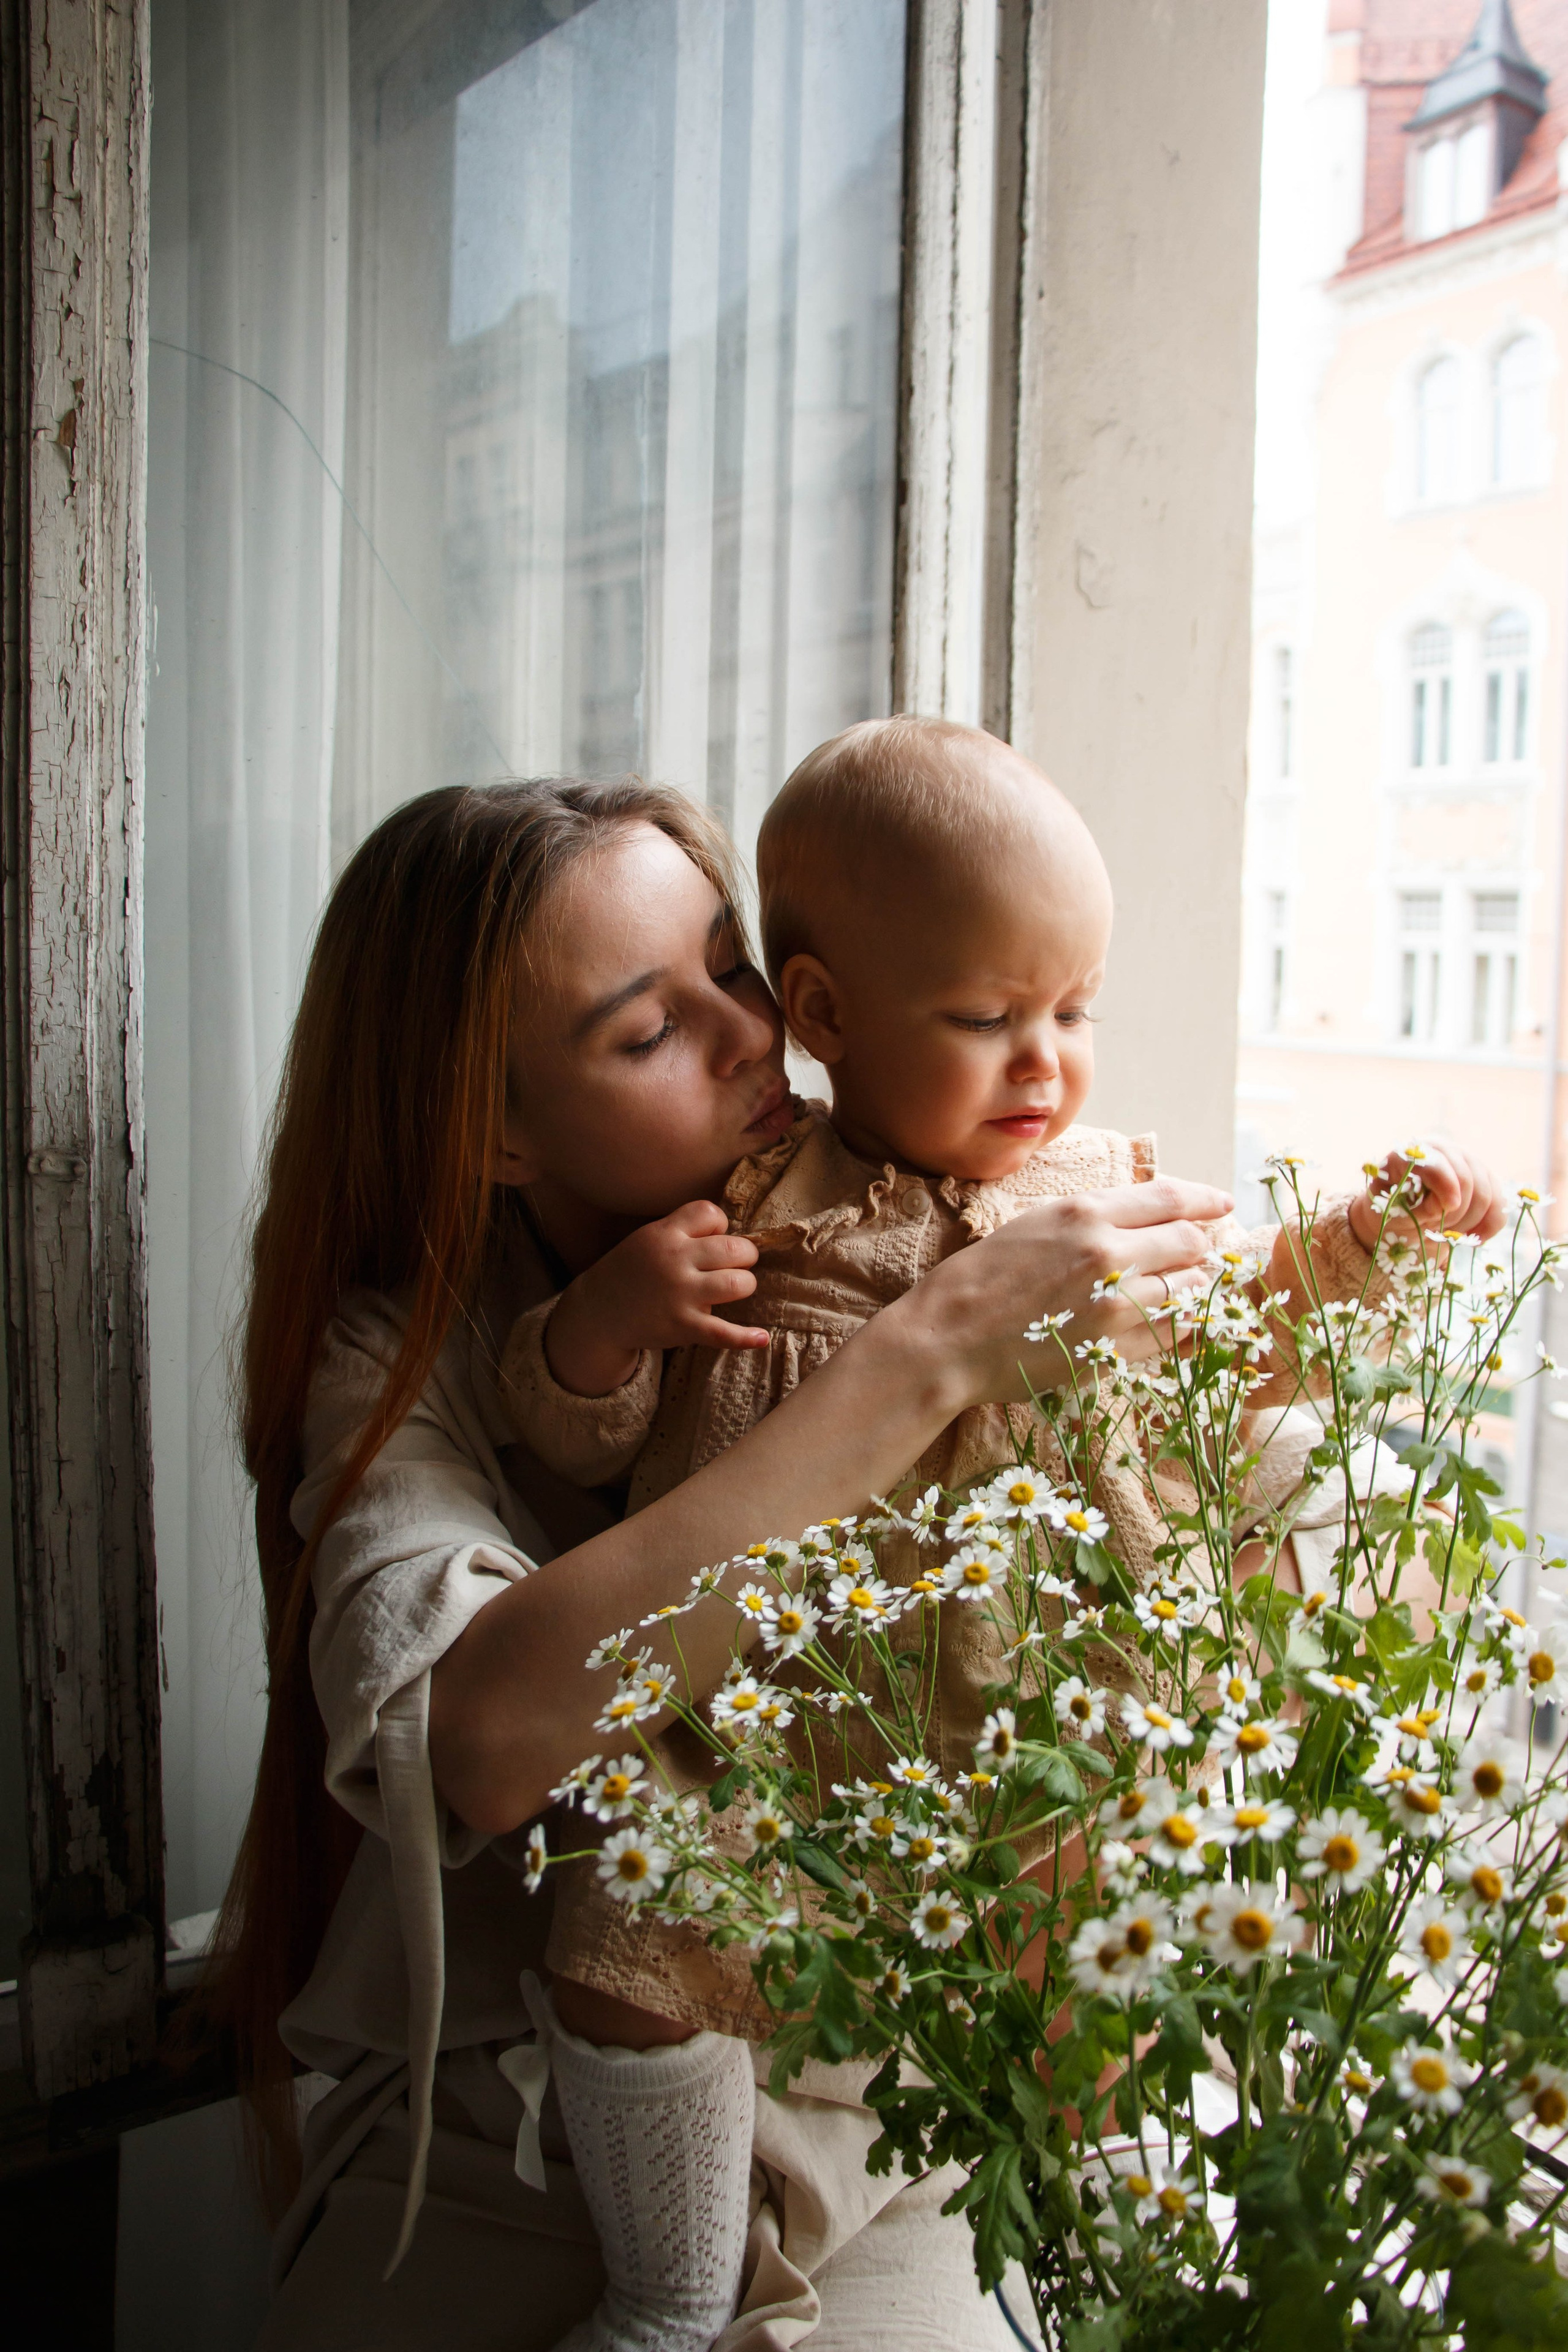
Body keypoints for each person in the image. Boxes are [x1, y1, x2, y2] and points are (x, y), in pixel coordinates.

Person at [501, 718, 1504, 2352]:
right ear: (824, 1012)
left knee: (1113, 1990)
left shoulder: (1106, 1196)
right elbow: (572, 1436)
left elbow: (1250, 1345)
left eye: (1074, 1011)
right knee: (631, 1929)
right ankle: (671, 2294)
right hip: (791, 1738)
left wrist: (1359, 1247)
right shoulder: (757, 1205)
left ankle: (1112, 2261)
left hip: (1043, 1740)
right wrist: (604, 1330)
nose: (1048, 1066)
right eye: (987, 1019)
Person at [213, 773, 1234, 2352]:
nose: (755, 1038)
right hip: (530, 2142)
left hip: (891, 2123)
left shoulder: (912, 1205)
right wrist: (925, 1362)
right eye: (647, 1031)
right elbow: (485, 1745)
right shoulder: (412, 1350)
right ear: (486, 1126)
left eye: (736, 972)